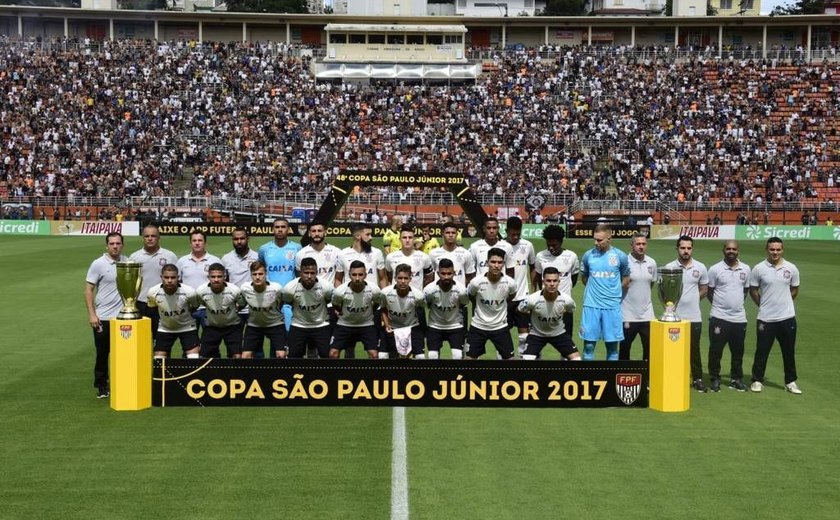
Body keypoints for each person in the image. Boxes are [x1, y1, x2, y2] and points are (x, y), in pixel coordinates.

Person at [749, 237, 802, 394]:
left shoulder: (791, 268)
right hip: (766, 317)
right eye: (772, 249)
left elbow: (795, 289)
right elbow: (753, 290)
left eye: (778, 249)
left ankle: (790, 381)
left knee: (788, 351)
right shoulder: (759, 268)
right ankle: (757, 380)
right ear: (767, 249)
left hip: (787, 317)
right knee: (762, 350)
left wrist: (784, 302)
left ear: (782, 250)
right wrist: (764, 304)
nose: (775, 252)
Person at [663, 235, 709, 392]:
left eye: (689, 248)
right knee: (673, 349)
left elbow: (704, 289)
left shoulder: (700, 267)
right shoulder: (670, 267)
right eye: (683, 248)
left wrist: (694, 299)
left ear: (692, 249)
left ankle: (697, 378)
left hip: (694, 316)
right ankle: (673, 377)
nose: (686, 251)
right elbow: (664, 292)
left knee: (694, 349)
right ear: (677, 249)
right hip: (674, 317)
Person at [84, 232, 127, 399]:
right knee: (103, 353)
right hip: (103, 317)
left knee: (123, 353)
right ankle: (102, 386)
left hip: (123, 317)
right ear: (106, 245)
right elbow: (88, 290)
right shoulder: (98, 264)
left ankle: (123, 383)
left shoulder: (127, 261)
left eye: (118, 243)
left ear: (122, 245)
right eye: (112, 243)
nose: (115, 246)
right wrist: (92, 314)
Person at [579, 224, 630, 361]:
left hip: (612, 307)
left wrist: (615, 290)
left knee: (612, 349)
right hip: (591, 306)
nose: (596, 243)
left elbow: (626, 278)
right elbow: (584, 277)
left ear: (609, 238)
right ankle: (588, 380)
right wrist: (595, 290)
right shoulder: (588, 255)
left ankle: (610, 380)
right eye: (595, 239)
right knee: (588, 347)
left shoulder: (620, 256)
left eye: (600, 240)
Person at [707, 240, 750, 392]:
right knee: (716, 351)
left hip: (739, 318)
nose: (731, 251)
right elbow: (709, 291)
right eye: (728, 249)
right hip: (719, 317)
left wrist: (735, 306)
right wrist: (721, 306)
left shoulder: (746, 269)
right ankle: (715, 378)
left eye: (734, 249)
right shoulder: (715, 269)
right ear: (723, 250)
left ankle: (736, 379)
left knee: (738, 351)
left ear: (738, 251)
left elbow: (745, 291)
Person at [465, 248, 517, 360]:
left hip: (500, 326)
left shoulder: (510, 283)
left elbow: (511, 296)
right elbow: (471, 296)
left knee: (511, 361)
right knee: (468, 361)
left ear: (504, 264)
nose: (496, 265)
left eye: (500, 262)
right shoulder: (476, 282)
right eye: (493, 262)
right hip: (478, 326)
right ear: (487, 262)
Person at [517, 267, 579, 361]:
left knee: (577, 359)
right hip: (537, 335)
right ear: (543, 282)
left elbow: (570, 310)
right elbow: (520, 310)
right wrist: (532, 318)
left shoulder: (567, 300)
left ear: (559, 282)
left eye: (555, 281)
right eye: (548, 281)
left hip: (559, 334)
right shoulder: (532, 300)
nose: (552, 284)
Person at [129, 224, 177, 343]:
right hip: (140, 303)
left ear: (159, 238)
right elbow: (130, 283)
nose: (150, 238)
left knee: (162, 340)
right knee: (140, 341)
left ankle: (161, 361)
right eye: (147, 236)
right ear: (143, 238)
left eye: (153, 236)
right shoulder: (134, 257)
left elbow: (177, 281)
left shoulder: (170, 256)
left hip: (162, 303)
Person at [533, 224, 579, 338]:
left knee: (566, 339)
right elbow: (538, 278)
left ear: (561, 242)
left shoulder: (571, 257)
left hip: (564, 306)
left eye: (554, 245)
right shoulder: (540, 256)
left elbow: (574, 278)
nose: (551, 248)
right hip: (544, 305)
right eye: (548, 245)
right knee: (538, 337)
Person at [146, 264, 201, 359]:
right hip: (165, 328)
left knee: (194, 358)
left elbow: (194, 306)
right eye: (166, 277)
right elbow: (153, 307)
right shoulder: (153, 292)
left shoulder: (189, 292)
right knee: (158, 361)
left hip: (187, 327)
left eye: (173, 277)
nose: (170, 281)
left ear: (178, 277)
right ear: (161, 277)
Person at [258, 218, 301, 336]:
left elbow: (299, 273)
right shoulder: (264, 249)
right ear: (273, 229)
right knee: (274, 334)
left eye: (283, 227)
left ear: (288, 229)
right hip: (271, 298)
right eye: (277, 227)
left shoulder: (297, 248)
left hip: (290, 298)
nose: (280, 230)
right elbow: (261, 270)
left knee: (291, 332)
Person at [331, 260, 382, 359]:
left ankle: (372, 375)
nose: (357, 278)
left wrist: (370, 313)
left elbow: (377, 303)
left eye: (360, 274)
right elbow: (335, 304)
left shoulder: (374, 289)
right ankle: (336, 374)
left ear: (365, 275)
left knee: (374, 355)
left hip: (366, 324)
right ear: (349, 275)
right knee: (333, 354)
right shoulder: (339, 291)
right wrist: (340, 312)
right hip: (345, 324)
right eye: (354, 275)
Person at [283, 257, 332, 359]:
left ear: (316, 273)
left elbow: (329, 301)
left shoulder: (326, 287)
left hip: (321, 325)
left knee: (328, 356)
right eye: (306, 273)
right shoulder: (289, 288)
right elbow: (288, 302)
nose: (309, 276)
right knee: (293, 357)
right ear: (300, 272)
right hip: (298, 325)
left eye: (312, 273)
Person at [619, 233, 657, 361]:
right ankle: (623, 378)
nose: (641, 247)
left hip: (647, 314)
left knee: (649, 349)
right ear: (631, 245)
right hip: (627, 314)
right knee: (624, 349)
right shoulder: (624, 262)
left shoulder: (652, 262)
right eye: (638, 244)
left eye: (643, 244)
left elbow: (650, 284)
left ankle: (646, 378)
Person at [238, 261, 286, 359]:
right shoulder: (245, 288)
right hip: (254, 325)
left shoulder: (276, 288)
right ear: (251, 275)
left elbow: (281, 303)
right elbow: (242, 304)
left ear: (266, 274)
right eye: (254, 274)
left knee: (281, 355)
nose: (258, 277)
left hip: (275, 324)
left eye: (260, 274)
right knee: (245, 356)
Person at [424, 258, 470, 359]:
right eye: (443, 273)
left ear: (454, 273)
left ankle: (456, 375)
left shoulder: (461, 290)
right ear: (438, 273)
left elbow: (464, 305)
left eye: (449, 274)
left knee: (457, 355)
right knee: (432, 356)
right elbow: (427, 305)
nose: (446, 277)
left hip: (455, 326)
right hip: (435, 326)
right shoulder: (429, 290)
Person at [195, 263, 243, 359]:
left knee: (237, 357)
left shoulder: (235, 290)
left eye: (219, 276)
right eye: (213, 277)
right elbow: (202, 304)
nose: (216, 280)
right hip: (212, 327)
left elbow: (241, 304)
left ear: (224, 277)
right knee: (204, 357)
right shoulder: (201, 291)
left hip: (232, 327)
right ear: (208, 277)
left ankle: (234, 374)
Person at [176, 231, 222, 332]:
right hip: (188, 308)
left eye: (200, 240)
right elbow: (177, 284)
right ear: (190, 243)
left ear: (205, 243)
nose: (197, 243)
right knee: (190, 341)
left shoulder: (215, 260)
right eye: (194, 240)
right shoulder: (182, 261)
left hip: (209, 308)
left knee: (210, 341)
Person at [380, 264, 427, 359]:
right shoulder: (385, 293)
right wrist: (387, 324)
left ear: (410, 279)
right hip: (393, 327)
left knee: (420, 357)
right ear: (395, 278)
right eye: (400, 278)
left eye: (406, 278)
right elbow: (383, 308)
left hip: (412, 327)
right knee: (382, 356)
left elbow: (421, 313)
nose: (403, 281)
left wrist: (421, 333)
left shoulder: (418, 296)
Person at [504, 216, 536, 356]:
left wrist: (534, 289)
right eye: (512, 234)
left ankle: (523, 362)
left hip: (523, 297)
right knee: (503, 332)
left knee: (524, 336)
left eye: (518, 234)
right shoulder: (501, 246)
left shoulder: (527, 245)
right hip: (505, 298)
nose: (516, 237)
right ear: (506, 231)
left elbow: (533, 266)